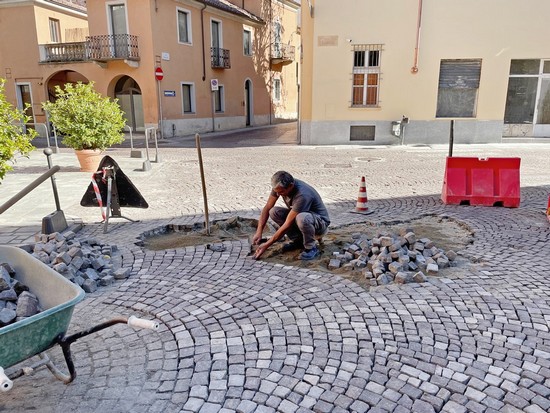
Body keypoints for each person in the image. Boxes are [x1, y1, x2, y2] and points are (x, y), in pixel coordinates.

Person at [253, 171, 330, 260]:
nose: (278, 194)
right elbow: (268, 207)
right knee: (274, 212)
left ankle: (311, 248)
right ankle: (298, 241)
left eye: (281, 192)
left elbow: (287, 224)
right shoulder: (278, 186)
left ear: (290, 186)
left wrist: (267, 245)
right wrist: (259, 232)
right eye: (276, 192)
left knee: (302, 218)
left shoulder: (303, 195)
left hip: (320, 223)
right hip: (300, 217)